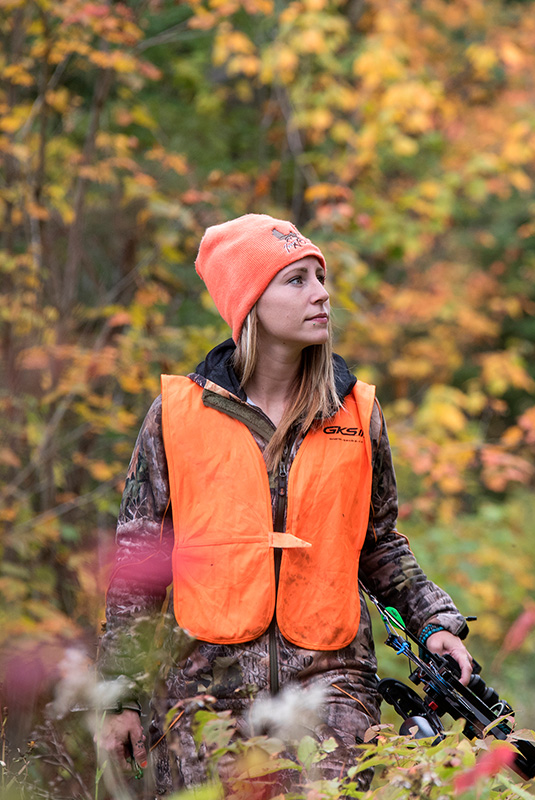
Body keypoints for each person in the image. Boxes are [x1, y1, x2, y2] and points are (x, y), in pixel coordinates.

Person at [97, 213, 473, 794]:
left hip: (333, 689)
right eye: (296, 280)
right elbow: (137, 569)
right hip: (204, 692)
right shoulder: (174, 417)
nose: (321, 294)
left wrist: (432, 621)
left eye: (320, 278)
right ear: (249, 303)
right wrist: (119, 695)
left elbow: (377, 542)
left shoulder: (357, 413)